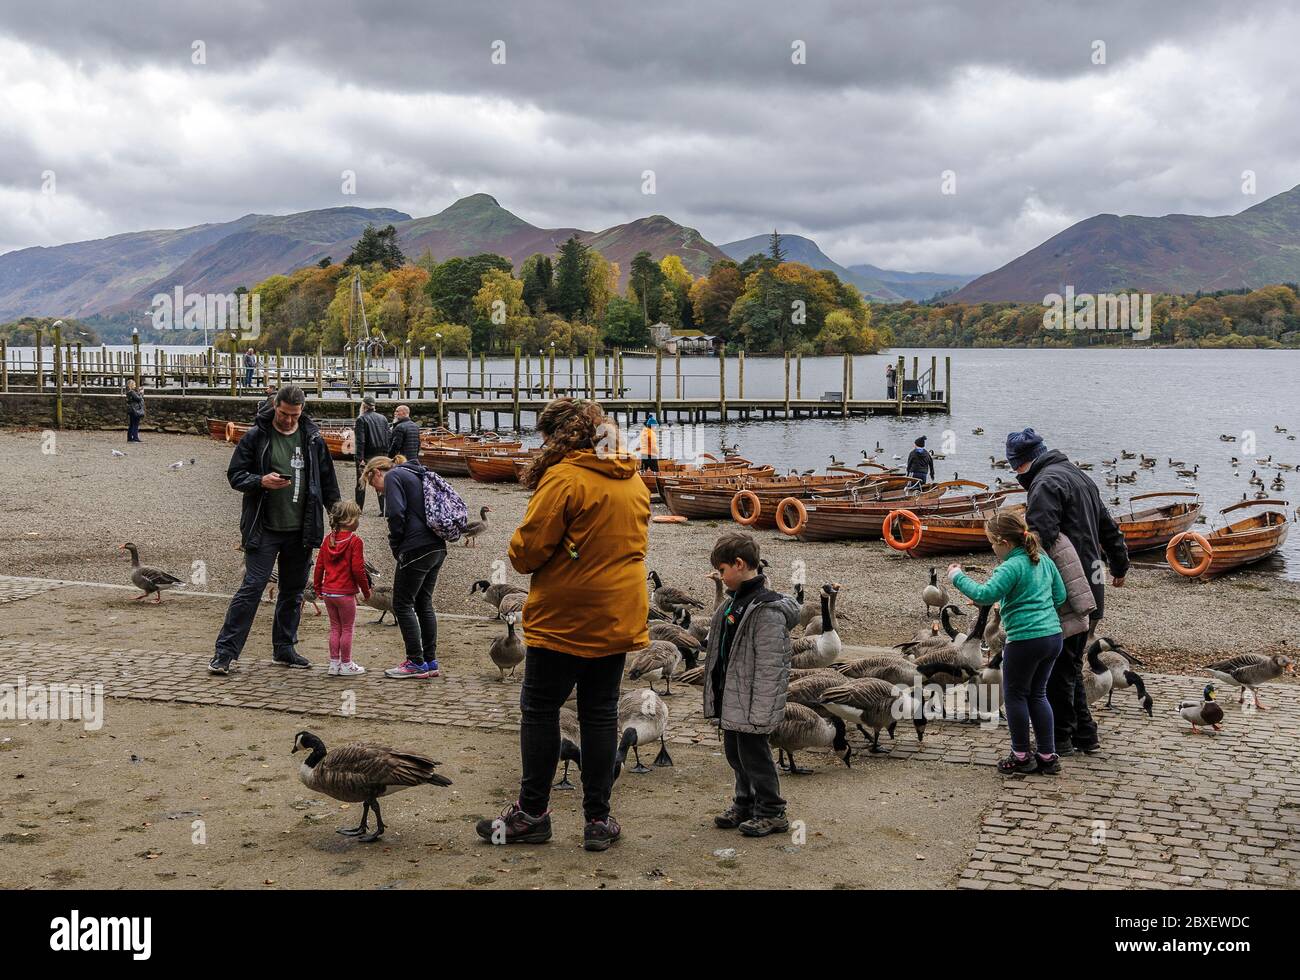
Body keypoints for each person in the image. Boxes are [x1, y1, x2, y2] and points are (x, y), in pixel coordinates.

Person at [475, 398, 649, 852]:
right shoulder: (632, 478)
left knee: (539, 708)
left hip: (567, 613)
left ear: (557, 436)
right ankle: (598, 820)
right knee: (598, 713)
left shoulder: (564, 477)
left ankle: (532, 813)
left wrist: (533, 548)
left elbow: (527, 552)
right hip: (619, 610)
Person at [1008, 427, 1130, 756]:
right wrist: (1119, 564)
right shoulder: (1078, 476)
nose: (1015, 474)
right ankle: (1085, 735)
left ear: (1022, 463)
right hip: (1093, 586)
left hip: (1066, 591)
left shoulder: (1045, 484)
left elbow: (1040, 541)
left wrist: (1019, 581)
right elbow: (1108, 525)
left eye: (1014, 467)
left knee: (1058, 668)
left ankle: (1059, 739)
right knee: (1070, 665)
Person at [209, 384, 341, 675]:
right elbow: (235, 475)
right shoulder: (257, 436)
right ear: (275, 407)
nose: (289, 420)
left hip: (301, 528)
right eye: (284, 414)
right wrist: (260, 481)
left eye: (295, 415)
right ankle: (225, 653)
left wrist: (337, 513)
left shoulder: (313, 438)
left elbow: (327, 481)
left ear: (302, 411)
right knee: (252, 588)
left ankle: (284, 649)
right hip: (264, 527)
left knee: (293, 591)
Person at [948, 510, 1066, 775]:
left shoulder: (1010, 566)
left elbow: (984, 594)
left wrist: (956, 576)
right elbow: (1060, 596)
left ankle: (1021, 755)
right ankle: (1047, 756)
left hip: (1025, 640)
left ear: (1003, 541)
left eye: (991, 542)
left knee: (1015, 696)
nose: (991, 548)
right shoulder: (1044, 560)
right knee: (1039, 694)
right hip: (1053, 637)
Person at [702, 531, 800, 837]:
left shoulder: (766, 609)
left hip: (752, 702)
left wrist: (762, 709)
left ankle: (772, 811)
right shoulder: (734, 603)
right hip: (733, 697)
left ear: (740, 564)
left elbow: (771, 665)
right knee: (735, 752)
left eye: (722, 571)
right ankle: (744, 802)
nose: (720, 577)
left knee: (755, 756)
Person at [360, 454, 447, 679]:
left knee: (402, 604)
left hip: (415, 548)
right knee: (423, 603)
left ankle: (415, 661)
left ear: (377, 472)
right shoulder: (414, 473)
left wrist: (396, 545)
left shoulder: (394, 476)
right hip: (436, 546)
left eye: (373, 485)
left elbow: (396, 513)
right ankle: (430, 661)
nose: (378, 491)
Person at [313, 500, 372, 676]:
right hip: (345, 593)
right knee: (347, 628)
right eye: (357, 518)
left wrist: (318, 588)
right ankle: (346, 664)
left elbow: (319, 566)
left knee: (334, 628)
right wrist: (366, 589)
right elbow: (358, 569)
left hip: (328, 592)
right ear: (350, 520)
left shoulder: (328, 539)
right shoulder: (355, 541)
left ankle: (333, 664)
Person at [353, 395, 390, 514]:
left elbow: (360, 441)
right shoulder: (383, 418)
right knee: (382, 480)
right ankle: (384, 509)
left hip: (368, 455)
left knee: (361, 482)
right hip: (382, 454)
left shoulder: (361, 419)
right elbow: (389, 436)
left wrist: (359, 459)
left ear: (363, 406)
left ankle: (359, 509)